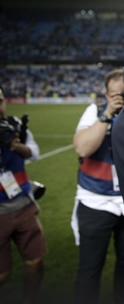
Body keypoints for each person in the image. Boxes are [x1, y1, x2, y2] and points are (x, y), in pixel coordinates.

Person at [71, 69, 124, 304]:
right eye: (115, 95)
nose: (120, 99)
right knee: (90, 267)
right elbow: (83, 148)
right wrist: (107, 114)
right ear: (106, 95)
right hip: (94, 200)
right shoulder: (94, 112)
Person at [0, 85, 44, 304]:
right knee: (2, 275)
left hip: (23, 204)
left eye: (0, 101)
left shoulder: (14, 126)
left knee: (35, 263)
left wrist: (15, 145)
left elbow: (33, 152)